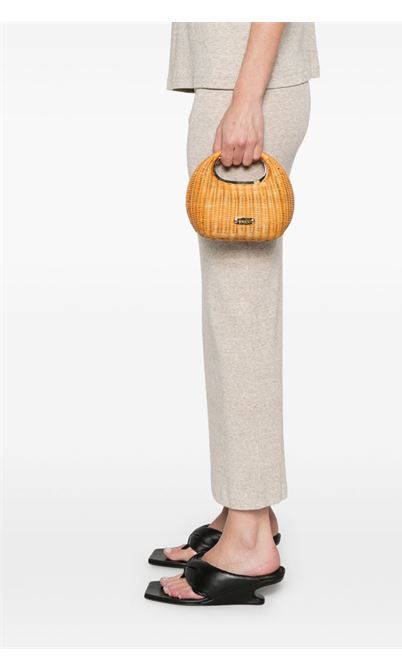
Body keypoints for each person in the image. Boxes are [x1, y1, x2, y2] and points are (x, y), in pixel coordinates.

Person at [145, 22, 320, 606]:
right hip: (236, 81)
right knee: (234, 313)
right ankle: (246, 511)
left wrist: (246, 100)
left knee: (239, 316)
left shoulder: (245, 97)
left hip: (247, 87)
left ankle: (247, 542)